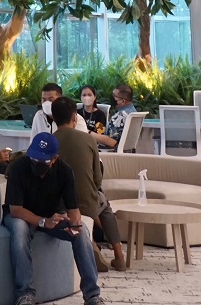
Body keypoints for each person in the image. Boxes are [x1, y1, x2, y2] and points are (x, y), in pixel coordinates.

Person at [3, 131, 106, 305]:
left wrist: (74, 224)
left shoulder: (65, 172)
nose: (36, 163)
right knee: (20, 230)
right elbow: (16, 210)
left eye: (42, 161)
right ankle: (24, 293)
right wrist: (43, 221)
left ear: (54, 159)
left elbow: (73, 209)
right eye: (34, 159)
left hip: (51, 216)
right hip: (22, 215)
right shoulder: (18, 167)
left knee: (82, 233)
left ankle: (92, 295)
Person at [52, 96, 127, 273]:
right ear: (75, 117)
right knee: (105, 207)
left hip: (59, 204)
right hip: (87, 200)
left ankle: (92, 246)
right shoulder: (88, 139)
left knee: (82, 207)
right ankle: (119, 256)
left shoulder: (49, 141)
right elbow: (97, 178)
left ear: (53, 118)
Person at [89, 84, 137, 151]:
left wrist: (88, 133)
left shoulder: (120, 116)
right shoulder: (133, 111)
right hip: (128, 152)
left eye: (114, 96)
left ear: (123, 101)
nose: (112, 97)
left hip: (110, 152)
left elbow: (111, 142)